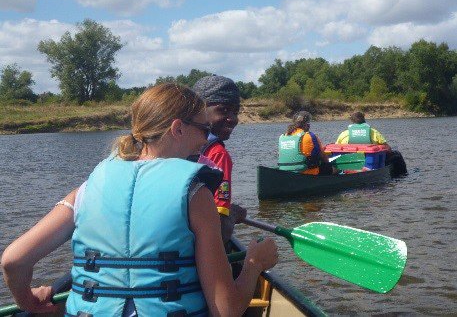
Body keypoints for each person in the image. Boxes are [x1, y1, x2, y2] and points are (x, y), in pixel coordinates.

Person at [1, 84, 278, 316]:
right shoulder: (195, 193)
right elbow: (226, 309)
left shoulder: (87, 188)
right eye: (204, 130)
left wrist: (27, 301)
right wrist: (254, 265)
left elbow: (14, 260)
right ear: (178, 128)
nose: (206, 141)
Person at [192, 75, 247, 245]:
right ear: (200, 110)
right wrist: (231, 215)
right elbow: (220, 231)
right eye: (223, 110)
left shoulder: (174, 146)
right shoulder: (217, 154)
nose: (233, 118)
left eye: (235, 111)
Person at [278, 111, 337, 175]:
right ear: (307, 125)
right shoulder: (310, 136)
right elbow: (323, 156)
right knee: (336, 169)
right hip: (307, 173)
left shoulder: (283, 136)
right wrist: (329, 166)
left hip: (285, 171)